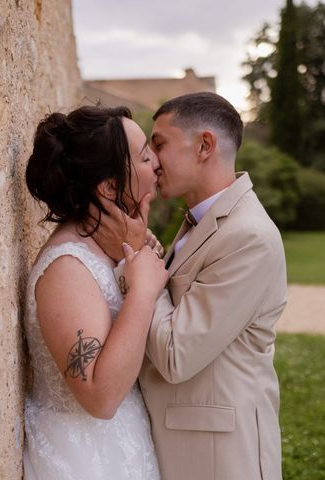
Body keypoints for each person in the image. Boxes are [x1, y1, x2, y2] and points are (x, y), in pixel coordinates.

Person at [92, 92, 288, 480]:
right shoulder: (203, 220)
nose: (152, 160)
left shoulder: (249, 237)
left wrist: (137, 267)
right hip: (183, 444)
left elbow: (176, 355)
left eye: (159, 144)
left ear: (204, 146)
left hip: (219, 458)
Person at [22, 105, 168, 479]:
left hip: (122, 443)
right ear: (109, 186)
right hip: (84, 457)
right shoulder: (67, 269)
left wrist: (134, 252)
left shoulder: (109, 246)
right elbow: (100, 398)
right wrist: (142, 291)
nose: (156, 164)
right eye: (144, 156)